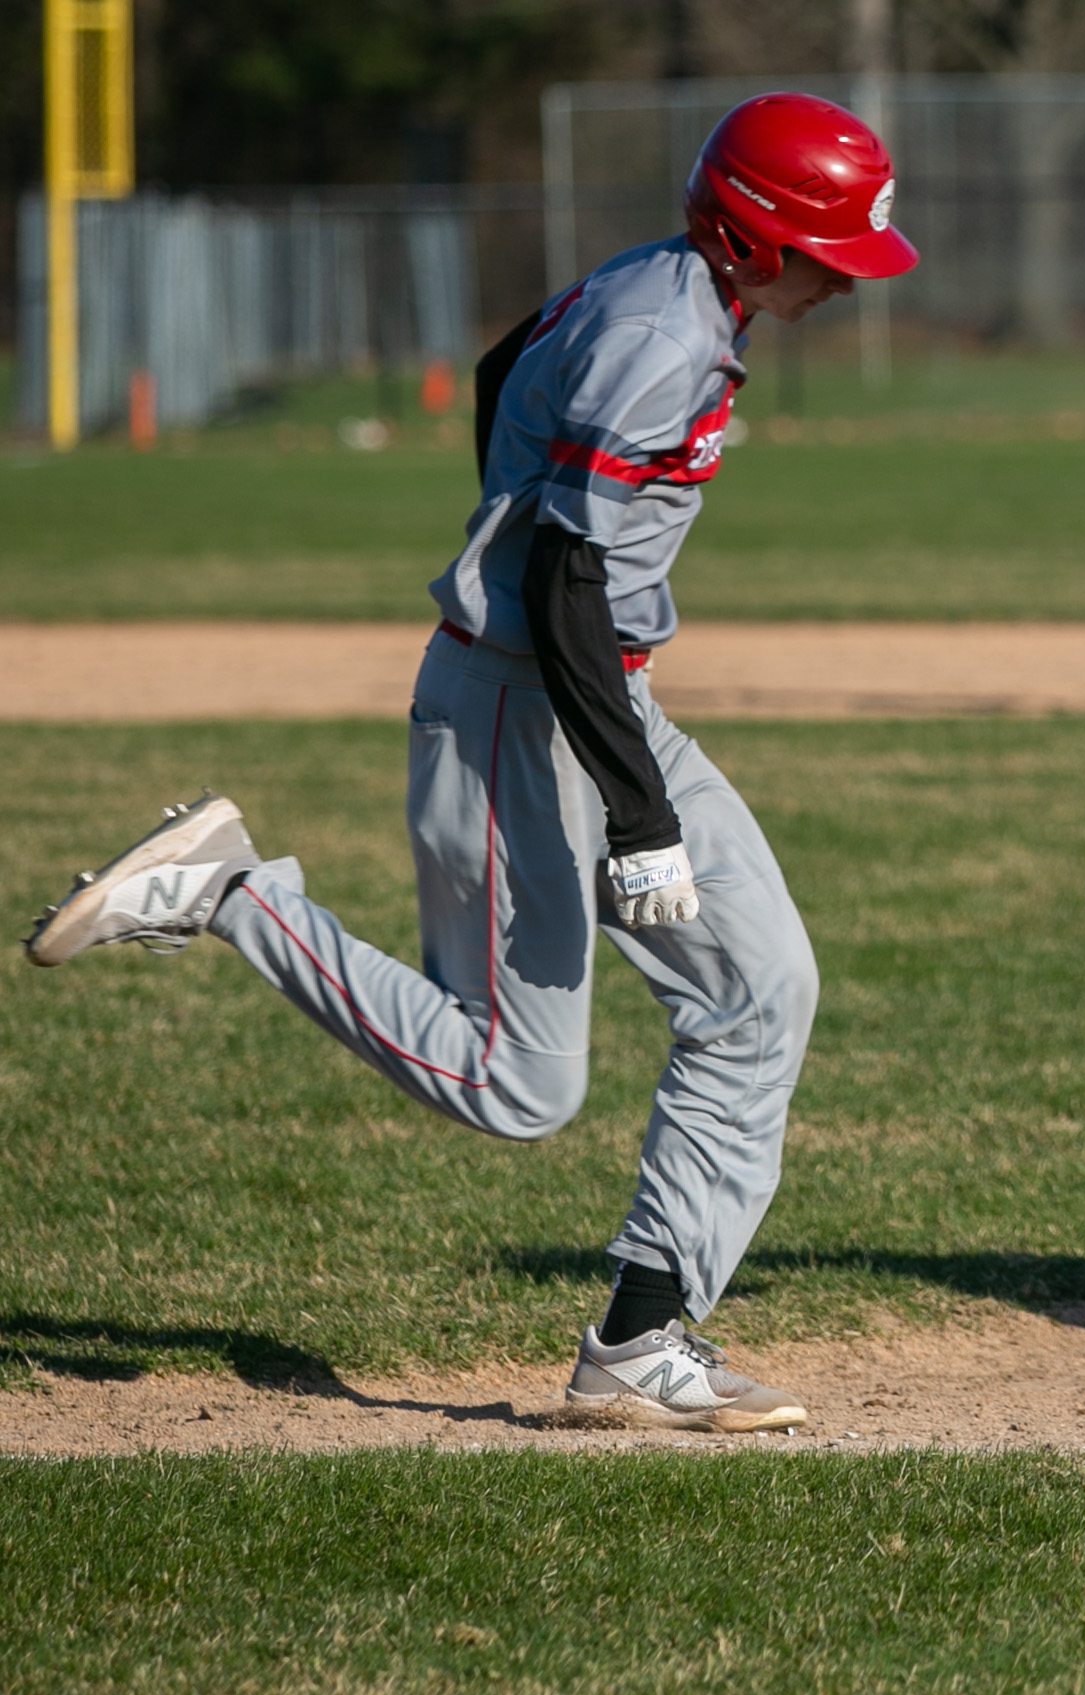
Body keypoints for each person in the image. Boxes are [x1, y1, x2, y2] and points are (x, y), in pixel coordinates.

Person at [23, 94, 919, 1432]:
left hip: (591, 694)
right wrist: (638, 815)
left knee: (758, 987)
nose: (842, 283)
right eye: (826, 256)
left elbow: (508, 375)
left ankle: (638, 1340)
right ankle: (233, 894)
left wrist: (533, 575)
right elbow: (564, 580)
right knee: (518, 1084)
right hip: (522, 702)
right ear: (749, 238)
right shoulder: (666, 335)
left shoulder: (667, 293)